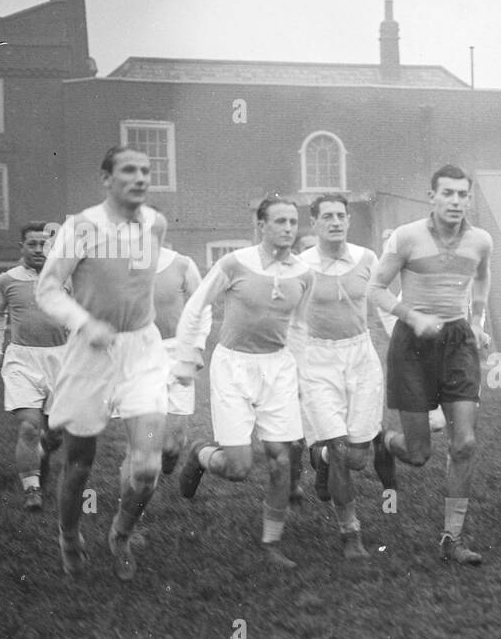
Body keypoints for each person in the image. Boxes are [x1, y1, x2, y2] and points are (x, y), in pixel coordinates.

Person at [36, 146, 169, 580]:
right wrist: (85, 322)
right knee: (79, 460)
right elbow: (49, 288)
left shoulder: (156, 223)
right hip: (91, 353)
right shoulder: (82, 227)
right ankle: (69, 537)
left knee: (147, 465)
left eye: (147, 171)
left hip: (143, 354)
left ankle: (122, 532)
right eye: (129, 170)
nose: (140, 178)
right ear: (106, 179)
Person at [172, 197, 315, 569]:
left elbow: (299, 326)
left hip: (278, 369)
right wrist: (187, 356)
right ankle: (202, 455)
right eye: (280, 221)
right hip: (233, 367)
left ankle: (271, 542)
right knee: (238, 468)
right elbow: (196, 306)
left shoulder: (304, 273)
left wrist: (298, 372)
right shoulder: (234, 263)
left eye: (293, 222)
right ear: (260, 225)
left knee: (282, 459)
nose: (288, 228)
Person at [366, 164, 493, 565]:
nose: (456, 201)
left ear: (469, 198)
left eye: (462, 194)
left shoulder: (480, 241)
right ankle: (384, 442)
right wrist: (413, 316)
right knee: (418, 453)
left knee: (465, 443)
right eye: (448, 193)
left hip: (457, 342)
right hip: (413, 344)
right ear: (431, 197)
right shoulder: (406, 237)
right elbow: (375, 288)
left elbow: (482, 278)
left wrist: (476, 322)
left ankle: (451, 538)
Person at [290, 193, 383, 559]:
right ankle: (350, 533)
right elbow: (291, 322)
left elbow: (384, 304)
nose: (335, 222)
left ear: (349, 220)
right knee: (344, 451)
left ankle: (323, 457)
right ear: (313, 223)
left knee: (357, 456)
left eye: (341, 215)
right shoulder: (300, 266)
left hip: (360, 356)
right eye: (326, 216)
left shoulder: (367, 259)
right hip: (317, 359)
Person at [0, 222, 67, 511]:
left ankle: (45, 445)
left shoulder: (65, 277)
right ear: (21, 247)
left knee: (56, 431)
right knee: (29, 427)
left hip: (61, 359)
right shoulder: (6, 280)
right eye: (31, 244)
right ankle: (32, 490)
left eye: (43, 244)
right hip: (22, 360)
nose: (37, 249)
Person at [377, 228, 447, 434]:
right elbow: (386, 308)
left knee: (460, 428)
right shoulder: (412, 291)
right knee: (437, 424)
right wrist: (398, 335)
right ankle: (388, 439)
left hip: (452, 353)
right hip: (419, 356)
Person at [151, 235, 210, 475]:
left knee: (172, 445)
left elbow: (202, 306)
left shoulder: (182, 264)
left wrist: (196, 348)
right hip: (138, 355)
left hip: (176, 353)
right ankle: (144, 473)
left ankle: (169, 456)